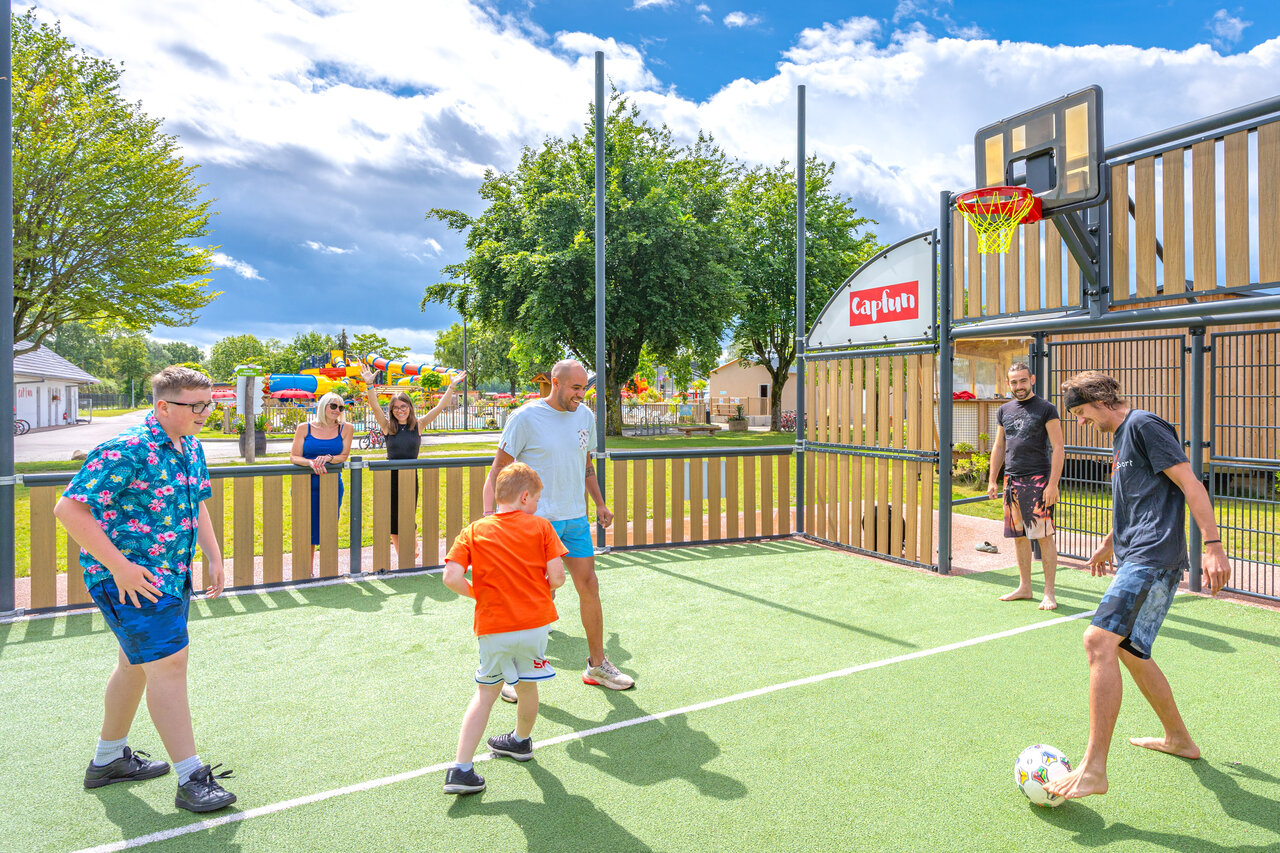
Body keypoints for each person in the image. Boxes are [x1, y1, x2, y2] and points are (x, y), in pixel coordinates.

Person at [53, 365, 237, 813]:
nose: (205, 412)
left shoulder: (190, 445)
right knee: (169, 667)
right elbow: (69, 509)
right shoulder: (127, 449)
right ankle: (192, 777)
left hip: (170, 576)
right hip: (132, 582)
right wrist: (121, 568)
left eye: (208, 403)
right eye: (195, 405)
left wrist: (213, 555)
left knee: (136, 666)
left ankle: (108, 759)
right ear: (162, 406)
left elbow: (198, 505)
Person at [1045, 370, 1232, 801]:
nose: (1079, 422)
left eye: (1079, 412)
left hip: (1153, 556)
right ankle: (1180, 740)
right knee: (1130, 651)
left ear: (1098, 400)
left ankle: (1093, 770)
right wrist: (1110, 544)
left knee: (1097, 641)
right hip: (1136, 554)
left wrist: (1214, 546)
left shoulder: (1143, 425)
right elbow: (1139, 499)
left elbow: (1190, 483)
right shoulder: (1120, 438)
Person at [484, 358, 635, 700]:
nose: (581, 394)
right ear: (555, 382)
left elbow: (585, 464)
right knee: (535, 595)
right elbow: (498, 471)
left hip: (575, 519)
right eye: (576, 388)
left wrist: (599, 503)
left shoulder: (585, 416)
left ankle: (597, 665)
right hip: (537, 522)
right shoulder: (524, 417)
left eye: (585, 388)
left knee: (589, 585)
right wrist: (492, 515)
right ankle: (515, 672)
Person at [441, 462, 567, 794]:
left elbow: (451, 577)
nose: (537, 506)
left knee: (486, 694)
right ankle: (520, 741)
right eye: (536, 500)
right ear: (525, 497)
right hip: (535, 624)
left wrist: (477, 594)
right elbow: (558, 578)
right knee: (527, 687)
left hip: (493, 625)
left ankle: (461, 770)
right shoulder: (541, 527)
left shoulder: (474, 530)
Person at [358, 363, 466, 562]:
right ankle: (403, 555)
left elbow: (440, 407)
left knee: (408, 514)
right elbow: (374, 406)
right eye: (396, 408)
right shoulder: (387, 426)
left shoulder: (419, 425)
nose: (400, 410)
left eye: (403, 406)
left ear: (409, 407)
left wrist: (451, 387)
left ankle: (412, 544)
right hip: (391, 478)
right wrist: (370, 385)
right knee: (393, 518)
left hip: (410, 477)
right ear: (391, 410)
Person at [986, 362, 1065, 610]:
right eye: (1014, 382)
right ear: (1008, 383)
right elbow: (999, 447)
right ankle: (1025, 587)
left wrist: (1052, 484)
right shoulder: (1004, 410)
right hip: (1011, 481)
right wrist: (992, 480)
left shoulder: (1046, 409)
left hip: (1037, 481)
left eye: (1022, 380)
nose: (1018, 386)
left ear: (1031, 379)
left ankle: (1049, 593)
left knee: (1043, 536)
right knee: (1019, 537)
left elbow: (1059, 447)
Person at [289, 391, 354, 572]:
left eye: (340, 407)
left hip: (332, 485)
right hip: (305, 485)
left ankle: (328, 570)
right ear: (322, 406)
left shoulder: (346, 428)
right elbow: (294, 457)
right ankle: (306, 570)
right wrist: (310, 462)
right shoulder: (304, 428)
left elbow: (343, 456)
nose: (337, 410)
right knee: (306, 528)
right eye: (333, 406)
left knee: (328, 525)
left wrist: (328, 458)